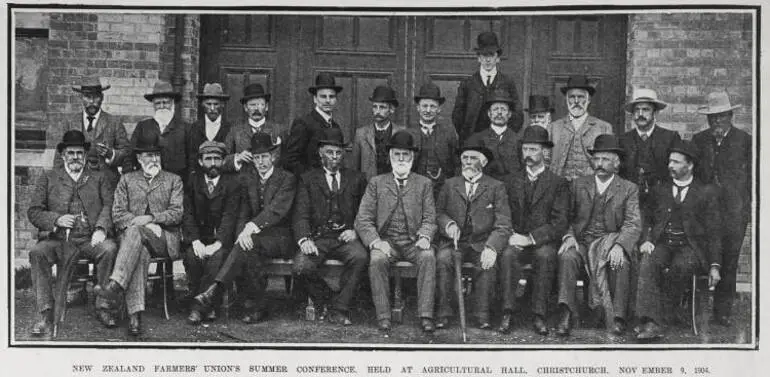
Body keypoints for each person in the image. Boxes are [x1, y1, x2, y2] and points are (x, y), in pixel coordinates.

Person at [193, 132, 297, 324]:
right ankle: (256, 306)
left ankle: (215, 290)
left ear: (273, 157)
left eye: (265, 156)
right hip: (255, 237)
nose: (261, 162)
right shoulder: (248, 178)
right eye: (257, 157)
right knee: (246, 247)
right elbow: (243, 211)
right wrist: (242, 233)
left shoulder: (286, 179)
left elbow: (276, 211)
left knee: (249, 246)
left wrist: (250, 227)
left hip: (281, 236)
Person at [27, 130, 118, 336]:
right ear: (63, 155)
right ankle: (45, 312)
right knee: (37, 253)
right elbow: (34, 211)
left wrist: (101, 228)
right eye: (71, 153)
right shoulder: (49, 178)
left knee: (109, 249)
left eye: (79, 152)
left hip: (89, 239)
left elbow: (110, 204)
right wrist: (56, 220)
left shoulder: (98, 177)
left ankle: (104, 306)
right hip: (59, 239)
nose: (75, 157)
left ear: (85, 155)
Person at [97, 129, 184, 336]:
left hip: (162, 238)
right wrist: (138, 224)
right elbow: (117, 214)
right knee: (139, 249)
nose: (154, 159)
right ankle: (135, 317)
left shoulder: (173, 180)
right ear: (138, 157)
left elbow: (177, 213)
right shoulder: (127, 180)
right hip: (133, 239)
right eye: (148, 155)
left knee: (136, 234)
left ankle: (116, 283)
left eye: (156, 155)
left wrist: (152, 219)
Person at [634, 141, 722, 341]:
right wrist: (647, 240)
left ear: (689, 165)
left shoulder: (706, 192)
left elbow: (715, 233)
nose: (670, 166)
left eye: (676, 162)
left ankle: (660, 319)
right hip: (663, 243)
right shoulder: (660, 189)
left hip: (691, 248)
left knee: (681, 266)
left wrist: (715, 266)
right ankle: (650, 320)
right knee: (648, 261)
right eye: (669, 161)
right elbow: (647, 218)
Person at [557, 134, 641, 336]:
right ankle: (566, 314)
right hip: (583, 242)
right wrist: (569, 236)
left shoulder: (628, 188)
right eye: (596, 159)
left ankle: (618, 317)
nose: (600, 164)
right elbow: (565, 217)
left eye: (605, 159)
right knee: (567, 257)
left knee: (620, 261)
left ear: (617, 163)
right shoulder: (578, 185)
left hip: (611, 241)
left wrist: (620, 245)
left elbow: (633, 223)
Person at [355, 131, 438, 333]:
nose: (401, 159)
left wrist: (425, 236)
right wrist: (376, 241)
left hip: (413, 242)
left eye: (406, 155)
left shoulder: (424, 183)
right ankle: (383, 316)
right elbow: (363, 218)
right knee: (376, 260)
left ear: (412, 157)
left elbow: (430, 217)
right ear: (390, 156)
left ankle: (426, 315)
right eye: (397, 154)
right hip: (386, 241)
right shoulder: (376, 182)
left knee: (428, 257)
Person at [292, 128, 369, 325]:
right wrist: (304, 239)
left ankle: (340, 309)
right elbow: (300, 214)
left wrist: (355, 230)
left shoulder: (357, 178)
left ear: (344, 154)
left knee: (360, 257)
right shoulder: (308, 179)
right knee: (301, 266)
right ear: (320, 153)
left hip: (346, 237)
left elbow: (365, 212)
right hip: (318, 238)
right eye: (329, 152)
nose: (334, 157)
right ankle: (329, 300)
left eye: (338, 153)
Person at [500, 126, 569, 335]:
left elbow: (560, 222)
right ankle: (507, 312)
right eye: (525, 149)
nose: (528, 155)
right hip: (515, 237)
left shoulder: (558, 183)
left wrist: (530, 238)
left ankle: (539, 314)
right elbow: (504, 213)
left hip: (542, 240)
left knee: (546, 256)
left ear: (544, 152)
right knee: (508, 255)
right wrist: (512, 234)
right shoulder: (511, 181)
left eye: (533, 150)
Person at [434, 143, 511, 330]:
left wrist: (492, 247)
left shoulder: (496, 187)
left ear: (483, 162)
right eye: (465, 158)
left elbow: (504, 223)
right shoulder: (449, 184)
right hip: (454, 242)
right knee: (443, 260)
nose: (468, 162)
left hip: (482, 241)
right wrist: (448, 224)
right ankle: (444, 313)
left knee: (487, 263)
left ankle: (482, 314)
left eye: (473, 158)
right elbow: (438, 213)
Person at [691, 91, 751, 327]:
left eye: (721, 117)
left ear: (730, 116)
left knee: (730, 259)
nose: (716, 122)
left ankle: (722, 311)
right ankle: (695, 307)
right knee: (705, 255)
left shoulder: (744, 140)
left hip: (734, 212)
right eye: (712, 117)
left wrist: (745, 204)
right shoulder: (699, 140)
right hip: (706, 211)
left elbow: (753, 177)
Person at [182, 141, 241, 325]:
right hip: (199, 238)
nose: (213, 163)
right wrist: (195, 241)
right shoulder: (192, 181)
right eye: (208, 159)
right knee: (192, 257)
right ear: (200, 162)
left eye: (217, 159)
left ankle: (198, 309)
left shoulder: (232, 183)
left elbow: (230, 216)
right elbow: (188, 213)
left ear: (224, 161)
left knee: (217, 258)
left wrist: (218, 242)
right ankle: (208, 306)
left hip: (221, 239)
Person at [619, 88, 681, 227]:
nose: (640, 114)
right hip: (631, 204)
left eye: (646, 110)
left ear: (655, 112)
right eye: (637, 110)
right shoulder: (623, 140)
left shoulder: (670, 138)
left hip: (662, 203)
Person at [452, 31, 524, 141]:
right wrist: (467, 136)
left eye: (491, 54)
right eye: (484, 55)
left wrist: (506, 137)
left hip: (500, 140)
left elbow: (517, 114)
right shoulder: (468, 84)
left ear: (498, 58)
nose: (488, 59)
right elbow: (458, 115)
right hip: (473, 141)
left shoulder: (507, 82)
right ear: (478, 58)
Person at [58, 77, 129, 185]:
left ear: (102, 97)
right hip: (76, 182)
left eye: (96, 97)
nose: (92, 101)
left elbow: (126, 153)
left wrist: (111, 154)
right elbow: (59, 157)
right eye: (87, 97)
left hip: (107, 183)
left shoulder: (114, 122)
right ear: (81, 98)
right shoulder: (70, 123)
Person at [547, 75, 614, 181]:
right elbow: (546, 162)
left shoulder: (603, 127)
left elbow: (610, 163)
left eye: (581, 97)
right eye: (572, 97)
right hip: (560, 187)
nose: (576, 101)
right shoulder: (554, 127)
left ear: (588, 100)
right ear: (566, 100)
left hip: (591, 188)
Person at [129, 80, 191, 181]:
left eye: (165, 102)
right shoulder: (143, 127)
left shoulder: (185, 128)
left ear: (172, 103)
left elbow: (191, 161)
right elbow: (130, 156)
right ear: (153, 105)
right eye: (158, 103)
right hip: (148, 183)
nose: (162, 106)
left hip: (178, 184)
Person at [285, 73, 343, 175]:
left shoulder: (335, 126)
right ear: (315, 99)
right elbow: (291, 159)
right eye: (323, 96)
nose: (328, 100)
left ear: (336, 100)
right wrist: (310, 180)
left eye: (331, 96)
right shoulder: (304, 123)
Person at [411, 82, 459, 196]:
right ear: (418, 107)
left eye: (432, 106)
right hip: (415, 190)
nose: (428, 110)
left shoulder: (449, 134)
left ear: (439, 109)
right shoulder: (409, 134)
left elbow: (456, 164)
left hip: (442, 190)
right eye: (424, 106)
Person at [222, 83, 283, 173]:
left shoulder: (277, 130)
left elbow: (285, 160)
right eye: (252, 105)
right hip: (243, 182)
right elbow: (222, 160)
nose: (256, 109)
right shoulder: (235, 131)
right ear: (246, 108)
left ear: (266, 107)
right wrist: (237, 158)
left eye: (260, 104)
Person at [465, 89, 523, 181]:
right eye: (495, 109)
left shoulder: (519, 140)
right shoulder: (476, 139)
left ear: (509, 114)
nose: (499, 112)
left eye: (503, 109)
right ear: (489, 113)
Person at [351, 85, 406, 180]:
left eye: (382, 107)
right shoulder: (361, 133)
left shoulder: (401, 133)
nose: (377, 111)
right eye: (375, 107)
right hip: (369, 187)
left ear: (391, 110)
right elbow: (354, 169)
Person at [188, 83, 233, 174]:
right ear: (203, 104)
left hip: (224, 178)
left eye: (216, 104)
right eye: (209, 104)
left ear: (222, 105)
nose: (212, 108)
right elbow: (191, 156)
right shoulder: (194, 127)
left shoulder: (230, 128)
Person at [524, 94, 555, 166]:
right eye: (533, 117)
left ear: (549, 119)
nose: (536, 120)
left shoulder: (555, 138)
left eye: (540, 117)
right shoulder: (525, 137)